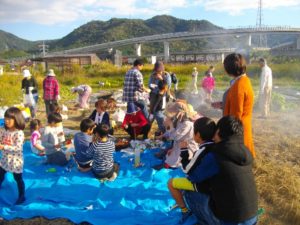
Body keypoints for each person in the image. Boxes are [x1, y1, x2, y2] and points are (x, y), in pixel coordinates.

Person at [185, 116, 258, 225]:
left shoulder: (216, 155)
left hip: (231, 221)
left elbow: (193, 177)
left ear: (218, 131)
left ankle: (203, 222)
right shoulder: (245, 152)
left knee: (189, 191)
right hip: (253, 218)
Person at [167, 117, 217, 224]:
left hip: (204, 185)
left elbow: (186, 169)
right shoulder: (217, 146)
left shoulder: (203, 150)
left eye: (193, 132)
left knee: (170, 183)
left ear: (198, 135)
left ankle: (185, 210)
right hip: (215, 183)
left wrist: (184, 150)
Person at [223, 53, 255, 157]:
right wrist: (223, 104)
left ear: (229, 68)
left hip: (238, 130)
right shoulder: (243, 80)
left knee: (240, 154)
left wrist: (226, 133)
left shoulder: (239, 86)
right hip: (243, 124)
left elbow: (235, 116)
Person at [153, 101, 198, 170]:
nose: (172, 116)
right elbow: (174, 136)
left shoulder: (187, 124)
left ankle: (167, 167)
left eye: (173, 114)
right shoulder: (180, 121)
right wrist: (172, 148)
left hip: (186, 151)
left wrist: (170, 125)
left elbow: (174, 137)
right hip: (179, 147)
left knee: (173, 164)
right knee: (168, 157)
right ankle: (165, 165)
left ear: (180, 113)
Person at [0, 107, 26, 204]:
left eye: (9, 119)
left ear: (16, 119)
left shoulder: (19, 133)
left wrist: (3, 147)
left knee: (18, 179)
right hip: (4, 159)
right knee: (0, 174)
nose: (6, 121)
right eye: (5, 118)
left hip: (15, 161)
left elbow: (18, 148)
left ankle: (22, 195)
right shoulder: (3, 129)